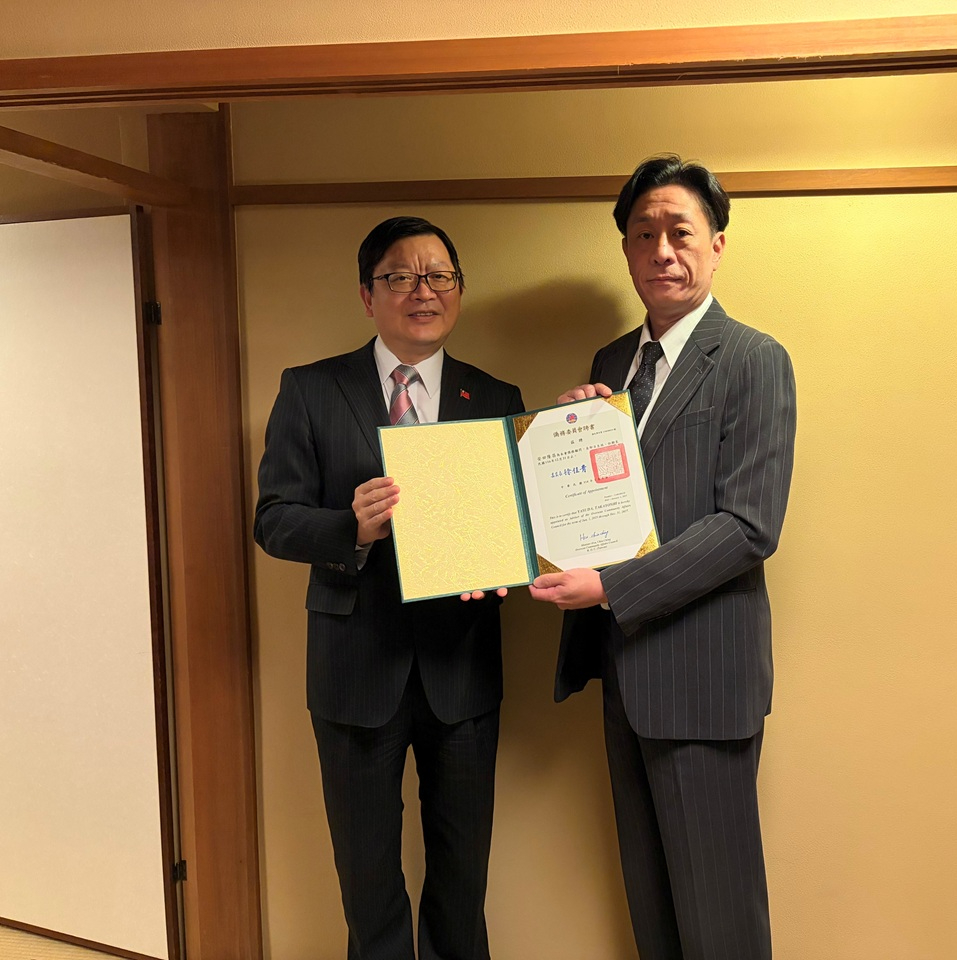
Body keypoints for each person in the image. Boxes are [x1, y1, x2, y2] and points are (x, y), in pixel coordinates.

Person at [529, 155, 797, 960]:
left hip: (705, 676)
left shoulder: (754, 359)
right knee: (653, 910)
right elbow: (607, 510)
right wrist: (571, 432)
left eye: (680, 231)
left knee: (719, 921)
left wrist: (610, 587)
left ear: (717, 243)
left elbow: (748, 526)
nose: (662, 251)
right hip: (624, 671)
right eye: (643, 235)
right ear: (626, 250)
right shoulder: (611, 364)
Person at [254, 216, 522, 960]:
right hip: (354, 667)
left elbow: (518, 521)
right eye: (400, 277)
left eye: (439, 276)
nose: (422, 291)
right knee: (367, 881)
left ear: (459, 290)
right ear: (368, 296)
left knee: (462, 879)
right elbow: (273, 520)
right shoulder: (310, 389)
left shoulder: (495, 396)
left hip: (461, 668)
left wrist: (509, 564)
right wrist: (353, 528)